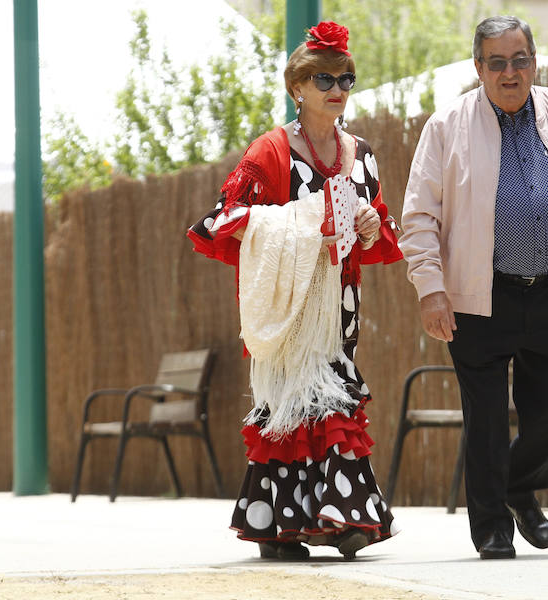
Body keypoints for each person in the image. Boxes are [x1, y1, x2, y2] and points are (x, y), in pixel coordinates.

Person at [399, 15, 548, 559]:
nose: (509, 72)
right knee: (487, 419)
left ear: (534, 63)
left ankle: (519, 487)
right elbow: (420, 214)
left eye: (519, 60)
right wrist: (431, 288)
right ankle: (492, 527)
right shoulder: (446, 126)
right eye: (496, 62)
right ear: (478, 68)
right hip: (480, 296)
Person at [187, 21, 403, 561]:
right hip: (290, 305)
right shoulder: (271, 152)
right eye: (324, 79)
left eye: (346, 79)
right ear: (297, 88)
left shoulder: (363, 153)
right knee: (296, 406)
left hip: (340, 305)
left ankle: (297, 524)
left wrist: (372, 225)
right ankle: (337, 521)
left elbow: (376, 218)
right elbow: (224, 219)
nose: (337, 90)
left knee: (328, 400)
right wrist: (302, 226)